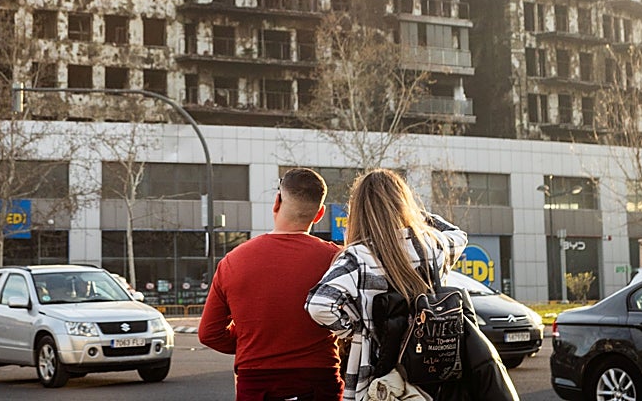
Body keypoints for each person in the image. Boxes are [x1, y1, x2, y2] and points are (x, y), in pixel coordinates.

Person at [306, 169, 469, 401]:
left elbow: (319, 305)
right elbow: (458, 234)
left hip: (374, 379)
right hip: (428, 374)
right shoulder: (432, 246)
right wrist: (413, 213)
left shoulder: (357, 257)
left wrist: (352, 328)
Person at [199, 168, 344, 401]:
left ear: (277, 202)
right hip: (320, 380)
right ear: (319, 214)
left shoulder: (233, 261)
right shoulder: (337, 260)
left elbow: (209, 334)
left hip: (257, 384)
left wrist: (252, 336)